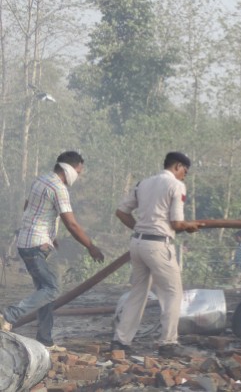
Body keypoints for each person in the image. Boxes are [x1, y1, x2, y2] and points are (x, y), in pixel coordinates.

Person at [0, 152, 104, 348]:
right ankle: (8, 315)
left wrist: (50, 234)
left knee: (44, 291)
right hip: (38, 246)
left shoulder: (41, 180)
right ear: (69, 168)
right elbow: (71, 224)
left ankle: (45, 340)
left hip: (27, 242)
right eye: (78, 171)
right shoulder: (59, 188)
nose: (78, 176)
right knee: (52, 289)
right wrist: (91, 246)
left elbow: (29, 207)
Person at [111, 152, 203, 358]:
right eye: (184, 172)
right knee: (172, 292)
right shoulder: (176, 186)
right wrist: (190, 226)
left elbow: (121, 212)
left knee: (138, 293)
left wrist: (141, 229)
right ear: (178, 166)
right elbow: (177, 224)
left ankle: (120, 341)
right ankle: (168, 343)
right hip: (159, 245)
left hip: (138, 243)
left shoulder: (144, 183)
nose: (184, 177)